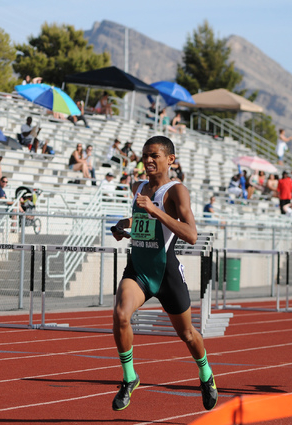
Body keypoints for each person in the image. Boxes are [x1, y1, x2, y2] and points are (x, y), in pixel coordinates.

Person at [110, 135, 218, 412]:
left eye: (154, 155)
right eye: (145, 155)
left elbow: (191, 234)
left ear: (170, 159)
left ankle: (206, 376)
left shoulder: (176, 191)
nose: (147, 160)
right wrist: (124, 226)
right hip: (139, 270)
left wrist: (156, 210)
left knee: (188, 334)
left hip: (166, 273)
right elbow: (140, 220)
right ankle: (129, 378)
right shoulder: (138, 187)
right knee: (121, 315)